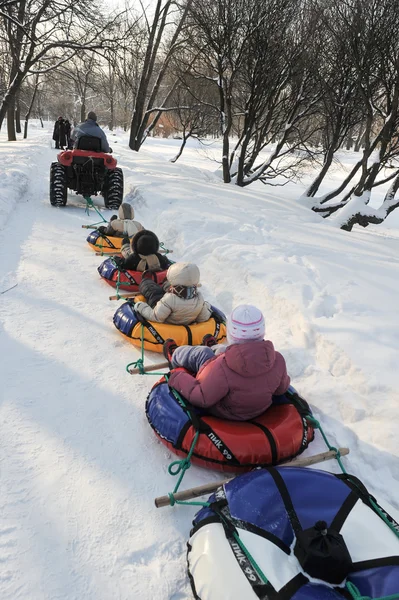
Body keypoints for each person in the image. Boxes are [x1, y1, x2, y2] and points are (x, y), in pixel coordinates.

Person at [163, 304, 290, 421]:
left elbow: (202, 397)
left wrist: (177, 377)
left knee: (203, 353)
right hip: (259, 409)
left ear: (231, 334)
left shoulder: (222, 368)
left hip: (226, 412)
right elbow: (281, 389)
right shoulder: (278, 360)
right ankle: (215, 347)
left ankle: (175, 355)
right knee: (223, 350)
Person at [134, 262, 212, 325]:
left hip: (167, 319)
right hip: (180, 314)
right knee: (168, 285)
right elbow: (203, 318)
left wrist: (140, 306)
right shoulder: (199, 298)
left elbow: (156, 317)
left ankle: (146, 280)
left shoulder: (169, 299)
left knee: (152, 290)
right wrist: (207, 306)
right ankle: (165, 283)